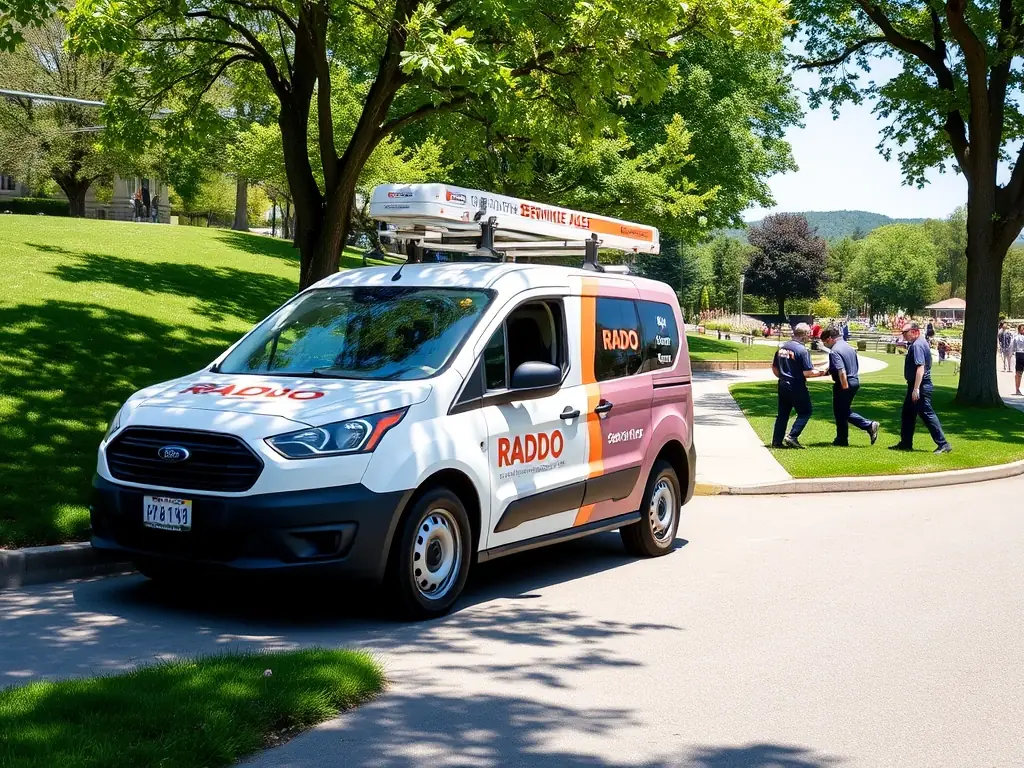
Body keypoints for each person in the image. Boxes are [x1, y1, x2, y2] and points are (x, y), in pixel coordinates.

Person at [890, 321, 952, 454]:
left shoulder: (917, 345)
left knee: (927, 414)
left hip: (921, 385)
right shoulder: (920, 342)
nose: (904, 335)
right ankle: (906, 443)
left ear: (915, 331)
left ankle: (943, 444)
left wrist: (916, 389)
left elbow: (920, 368)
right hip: (917, 384)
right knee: (907, 413)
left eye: (905, 332)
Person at [771, 322, 830, 449]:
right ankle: (792, 436)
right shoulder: (802, 350)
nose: (810, 337)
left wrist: (783, 377)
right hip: (796, 385)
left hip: (782, 384)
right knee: (805, 411)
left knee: (783, 414)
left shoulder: (782, 347)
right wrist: (823, 371)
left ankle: (776, 441)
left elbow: (775, 368)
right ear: (805, 335)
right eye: (809, 334)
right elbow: (807, 372)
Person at [821, 327, 879, 446]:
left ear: (830, 339)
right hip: (854, 381)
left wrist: (844, 387)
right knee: (841, 411)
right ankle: (842, 439)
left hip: (844, 383)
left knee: (841, 411)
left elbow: (841, 370)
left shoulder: (835, 351)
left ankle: (868, 425)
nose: (825, 345)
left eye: (825, 342)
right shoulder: (848, 347)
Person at [1014, 324, 1024, 395]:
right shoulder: (1016, 337)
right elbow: (1013, 347)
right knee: (1018, 373)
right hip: (1019, 354)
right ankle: (1017, 389)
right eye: (1022, 329)